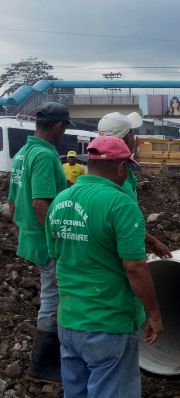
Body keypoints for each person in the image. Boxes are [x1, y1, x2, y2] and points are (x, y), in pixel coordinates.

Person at [46, 135, 163, 397]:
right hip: (108, 322)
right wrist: (153, 314)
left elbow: (56, 260)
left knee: (76, 392)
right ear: (121, 167)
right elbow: (134, 267)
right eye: (128, 168)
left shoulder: (60, 202)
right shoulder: (121, 203)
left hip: (69, 321)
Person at [7, 102, 71, 383]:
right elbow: (40, 204)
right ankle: (43, 365)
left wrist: (20, 229)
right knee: (52, 298)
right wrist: (59, 244)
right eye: (65, 127)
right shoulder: (45, 156)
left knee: (51, 296)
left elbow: (12, 202)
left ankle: (49, 359)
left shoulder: (23, 152)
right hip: (46, 243)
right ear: (58, 126)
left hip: (31, 237)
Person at [98, 112, 172, 259]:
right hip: (119, 255)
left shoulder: (98, 168)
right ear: (126, 138)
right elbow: (127, 223)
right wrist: (154, 243)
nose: (135, 138)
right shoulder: (119, 177)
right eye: (132, 133)